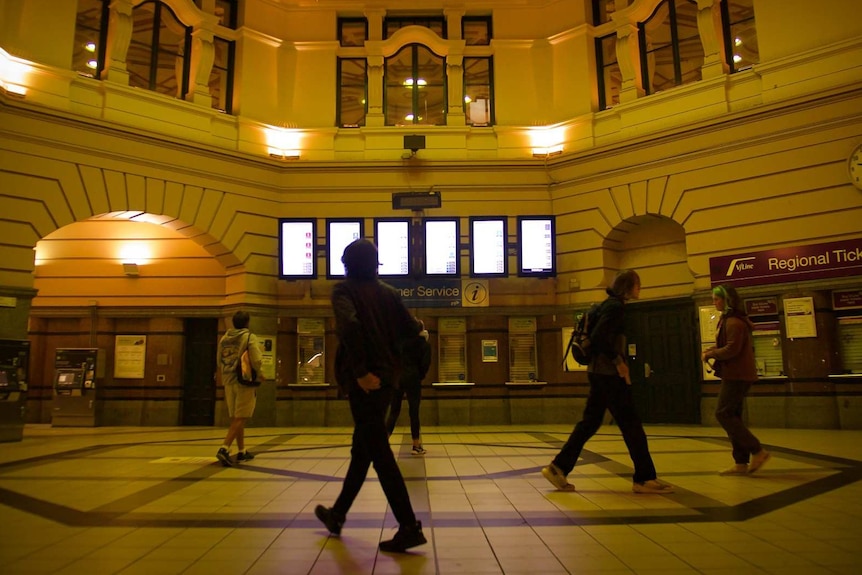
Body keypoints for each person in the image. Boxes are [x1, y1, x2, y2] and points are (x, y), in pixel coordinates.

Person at [314, 239, 427, 553]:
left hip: (364, 383)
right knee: (362, 450)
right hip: (387, 380)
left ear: (346, 264)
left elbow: (349, 327)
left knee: (380, 454)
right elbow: (412, 329)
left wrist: (362, 370)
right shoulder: (389, 294)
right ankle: (337, 515)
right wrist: (392, 359)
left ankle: (408, 526)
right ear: (375, 264)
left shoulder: (344, 291)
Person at [542, 269, 674, 494]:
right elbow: (600, 338)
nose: (639, 289)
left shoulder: (605, 305)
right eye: (637, 285)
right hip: (609, 375)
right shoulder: (616, 307)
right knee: (631, 425)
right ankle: (644, 478)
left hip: (598, 373)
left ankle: (558, 468)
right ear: (629, 287)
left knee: (589, 423)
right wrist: (619, 363)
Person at [702, 285, 771, 475]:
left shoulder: (734, 322)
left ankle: (757, 450)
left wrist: (711, 354)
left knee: (722, 413)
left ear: (727, 300)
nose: (714, 302)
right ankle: (741, 463)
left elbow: (732, 349)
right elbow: (728, 344)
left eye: (717, 299)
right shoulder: (729, 320)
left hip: (737, 375)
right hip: (736, 373)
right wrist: (712, 350)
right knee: (734, 416)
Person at [216, 310, 264, 467]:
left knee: (237, 417)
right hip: (244, 381)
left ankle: (242, 450)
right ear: (247, 323)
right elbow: (256, 359)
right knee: (241, 416)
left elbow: (219, 360)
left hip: (228, 381)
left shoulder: (224, 339)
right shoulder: (249, 337)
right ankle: (224, 448)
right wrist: (260, 373)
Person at [386, 321, 432, 455]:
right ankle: (416, 445)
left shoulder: (400, 342)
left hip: (398, 378)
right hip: (413, 378)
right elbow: (425, 364)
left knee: (394, 411)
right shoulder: (424, 344)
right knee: (414, 412)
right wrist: (418, 375)